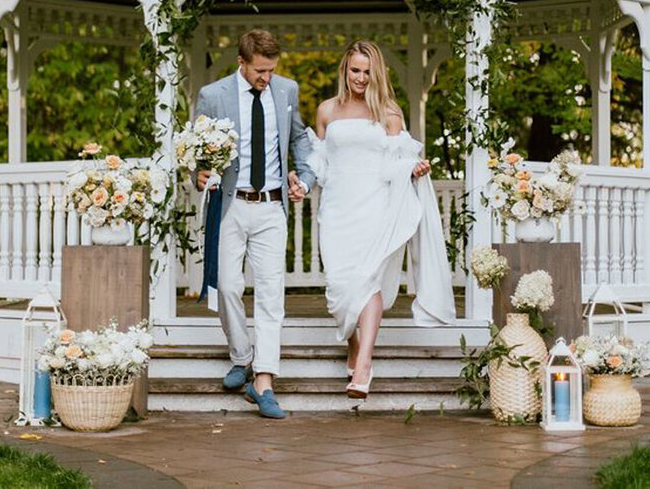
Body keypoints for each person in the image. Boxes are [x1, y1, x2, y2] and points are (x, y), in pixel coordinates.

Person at [310, 40, 456, 407]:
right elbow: (319, 165)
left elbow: (393, 163)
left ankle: (363, 364)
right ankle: (354, 344)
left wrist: (412, 166)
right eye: (354, 70)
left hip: (375, 206)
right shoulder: (326, 111)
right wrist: (302, 179)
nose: (360, 78)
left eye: (366, 71)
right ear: (345, 70)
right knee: (340, 287)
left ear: (377, 73)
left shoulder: (389, 113)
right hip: (338, 209)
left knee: (369, 279)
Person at [193, 29, 315, 419]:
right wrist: (197, 171)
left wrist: (303, 177)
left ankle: (264, 380)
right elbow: (195, 149)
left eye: (272, 70)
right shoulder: (213, 96)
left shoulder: (287, 91)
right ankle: (241, 357)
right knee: (228, 287)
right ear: (241, 63)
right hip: (231, 204)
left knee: (270, 294)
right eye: (261, 71)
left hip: (271, 206)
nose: (267, 77)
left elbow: (299, 141)